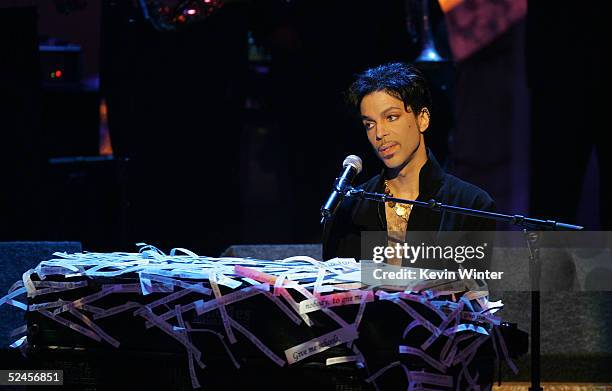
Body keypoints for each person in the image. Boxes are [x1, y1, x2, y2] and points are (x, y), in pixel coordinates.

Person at [322, 62, 495, 263]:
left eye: (391, 117)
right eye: (370, 124)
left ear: (422, 119)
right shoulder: (350, 208)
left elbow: (476, 288)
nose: (379, 133)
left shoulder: (470, 205)